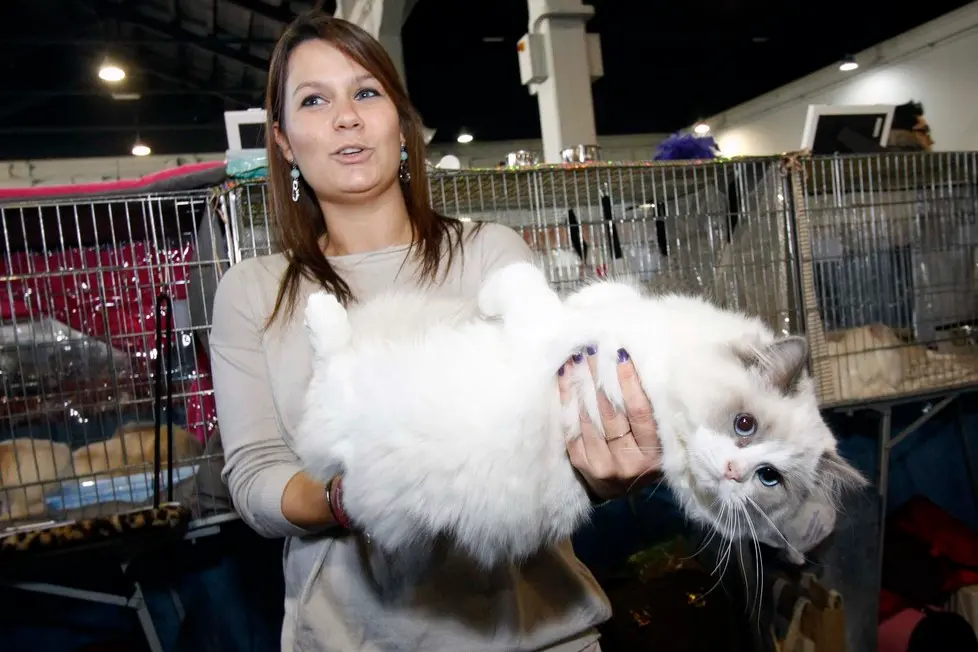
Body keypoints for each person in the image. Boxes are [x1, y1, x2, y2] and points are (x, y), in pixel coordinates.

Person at [209, 11, 663, 652]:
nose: (346, 117)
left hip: (534, 635)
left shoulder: (489, 255)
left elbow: (557, 437)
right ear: (282, 141)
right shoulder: (254, 291)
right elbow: (256, 477)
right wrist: (352, 497)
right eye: (314, 100)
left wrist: (604, 469)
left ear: (400, 123)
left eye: (366, 92)